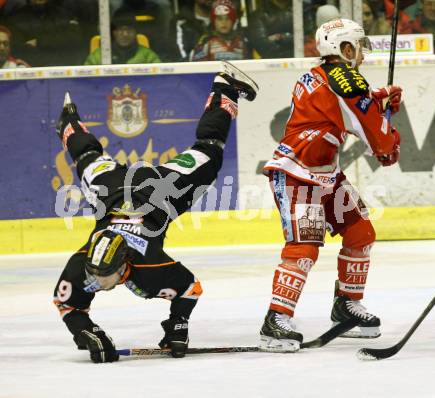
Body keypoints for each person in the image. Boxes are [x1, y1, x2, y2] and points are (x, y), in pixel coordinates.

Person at [52, 61, 258, 363]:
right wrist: (86, 331)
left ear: (125, 264)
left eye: (106, 278)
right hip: (116, 192)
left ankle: (226, 87)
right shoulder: (83, 264)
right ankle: (68, 122)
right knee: (88, 157)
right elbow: (68, 303)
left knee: (207, 151)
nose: (100, 284)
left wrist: (177, 325)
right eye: (97, 276)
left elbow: (191, 288)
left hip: (156, 192)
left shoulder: (150, 265)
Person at [259, 19, 403, 352]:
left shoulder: (321, 73)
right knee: (304, 246)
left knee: (360, 233)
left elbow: (340, 104)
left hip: (323, 171)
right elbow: (382, 148)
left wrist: (377, 98)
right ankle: (276, 319)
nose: (363, 55)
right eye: (359, 47)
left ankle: (346, 308)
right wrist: (388, 134)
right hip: (298, 172)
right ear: (345, 49)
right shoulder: (347, 82)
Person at [84, 10, 161, 65]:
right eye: (120, 30)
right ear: (114, 32)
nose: (125, 34)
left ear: (135, 32)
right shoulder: (98, 56)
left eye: (129, 30)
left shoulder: (148, 56)